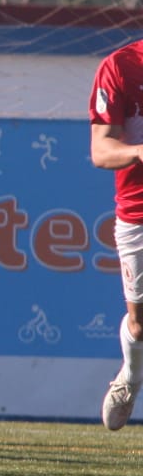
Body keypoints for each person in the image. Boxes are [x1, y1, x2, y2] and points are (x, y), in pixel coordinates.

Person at [88, 37, 143, 429]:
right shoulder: (120, 67)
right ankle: (132, 375)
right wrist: (140, 151)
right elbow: (101, 151)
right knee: (140, 323)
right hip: (137, 213)